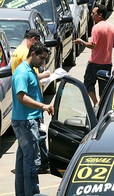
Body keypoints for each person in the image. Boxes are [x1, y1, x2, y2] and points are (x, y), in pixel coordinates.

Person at [11, 41, 54, 196]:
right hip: (26, 122)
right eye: (41, 58)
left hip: (27, 121)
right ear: (33, 54)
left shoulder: (30, 70)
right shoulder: (22, 72)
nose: (43, 63)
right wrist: (43, 106)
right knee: (31, 162)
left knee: (23, 161)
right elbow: (22, 97)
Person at [74, 4, 114, 106]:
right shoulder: (111, 27)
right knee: (104, 88)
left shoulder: (96, 28)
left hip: (94, 63)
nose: (91, 15)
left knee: (88, 84)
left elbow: (93, 45)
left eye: (93, 13)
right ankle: (102, 106)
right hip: (107, 63)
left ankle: (96, 103)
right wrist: (106, 45)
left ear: (100, 15)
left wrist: (82, 42)